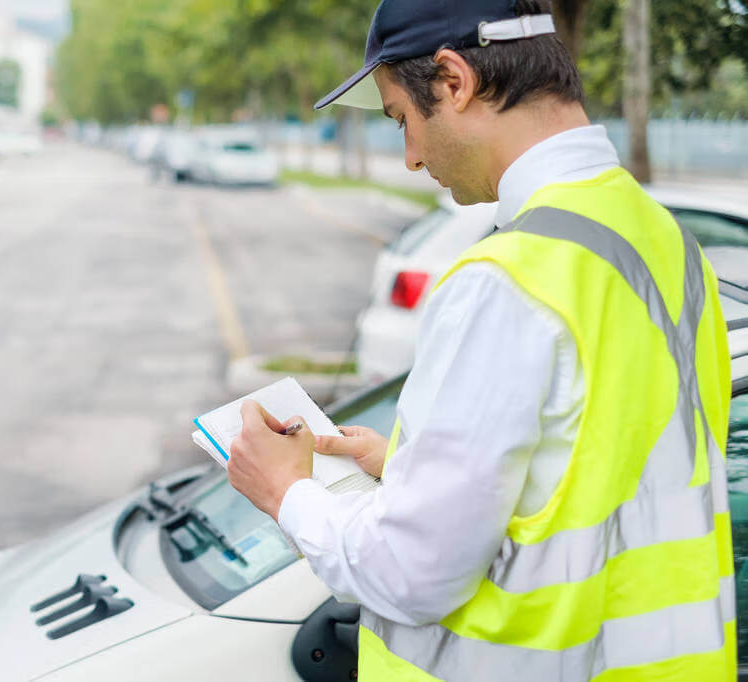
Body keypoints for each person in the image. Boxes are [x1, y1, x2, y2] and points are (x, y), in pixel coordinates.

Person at [226, 0, 735, 680]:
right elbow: (603, 470)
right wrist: (410, 465)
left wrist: (285, 492)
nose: (409, 157)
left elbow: (410, 574)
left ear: (453, 80)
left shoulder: (506, 280)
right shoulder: (668, 243)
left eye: (401, 119)